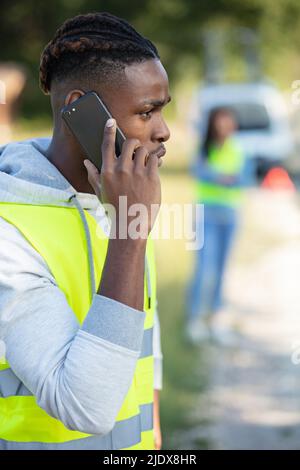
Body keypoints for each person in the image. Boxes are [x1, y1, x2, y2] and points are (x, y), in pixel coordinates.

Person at [0, 12, 171, 450]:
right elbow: (86, 408)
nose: (164, 131)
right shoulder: (9, 229)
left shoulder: (119, 201)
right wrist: (131, 232)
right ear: (81, 108)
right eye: (146, 111)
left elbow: (143, 341)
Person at [185, 107, 250, 345]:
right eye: (220, 122)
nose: (224, 126)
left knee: (222, 270)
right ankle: (195, 319)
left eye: (228, 122)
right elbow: (199, 171)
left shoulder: (239, 150)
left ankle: (216, 320)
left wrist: (219, 176)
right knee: (203, 270)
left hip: (230, 215)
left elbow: (244, 178)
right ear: (213, 124)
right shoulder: (204, 148)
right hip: (206, 215)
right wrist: (223, 177)